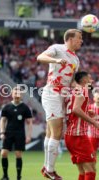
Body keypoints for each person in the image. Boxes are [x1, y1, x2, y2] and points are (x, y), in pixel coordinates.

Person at [37, 29, 82, 179]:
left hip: (62, 95)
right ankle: (50, 170)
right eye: (79, 38)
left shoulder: (76, 59)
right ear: (70, 39)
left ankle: (46, 167)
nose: (81, 41)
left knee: (51, 132)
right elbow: (40, 57)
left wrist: (81, 87)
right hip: (52, 93)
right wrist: (56, 61)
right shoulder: (57, 48)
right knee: (57, 132)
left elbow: (72, 81)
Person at [64, 71, 99, 180]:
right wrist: (94, 122)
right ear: (84, 80)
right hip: (78, 136)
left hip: (71, 135)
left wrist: (87, 110)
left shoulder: (73, 92)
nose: (92, 81)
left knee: (82, 170)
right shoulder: (83, 91)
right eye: (90, 78)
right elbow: (76, 109)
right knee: (91, 169)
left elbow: (71, 110)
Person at [0, 87, 33, 180]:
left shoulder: (25, 108)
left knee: (18, 154)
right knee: (3, 153)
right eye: (15, 93)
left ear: (21, 95)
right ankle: (5, 176)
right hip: (8, 133)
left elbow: (29, 122)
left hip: (20, 134)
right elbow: (3, 120)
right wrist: (2, 132)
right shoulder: (7, 107)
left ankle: (18, 177)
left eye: (19, 93)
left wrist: (29, 136)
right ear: (12, 94)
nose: (17, 95)